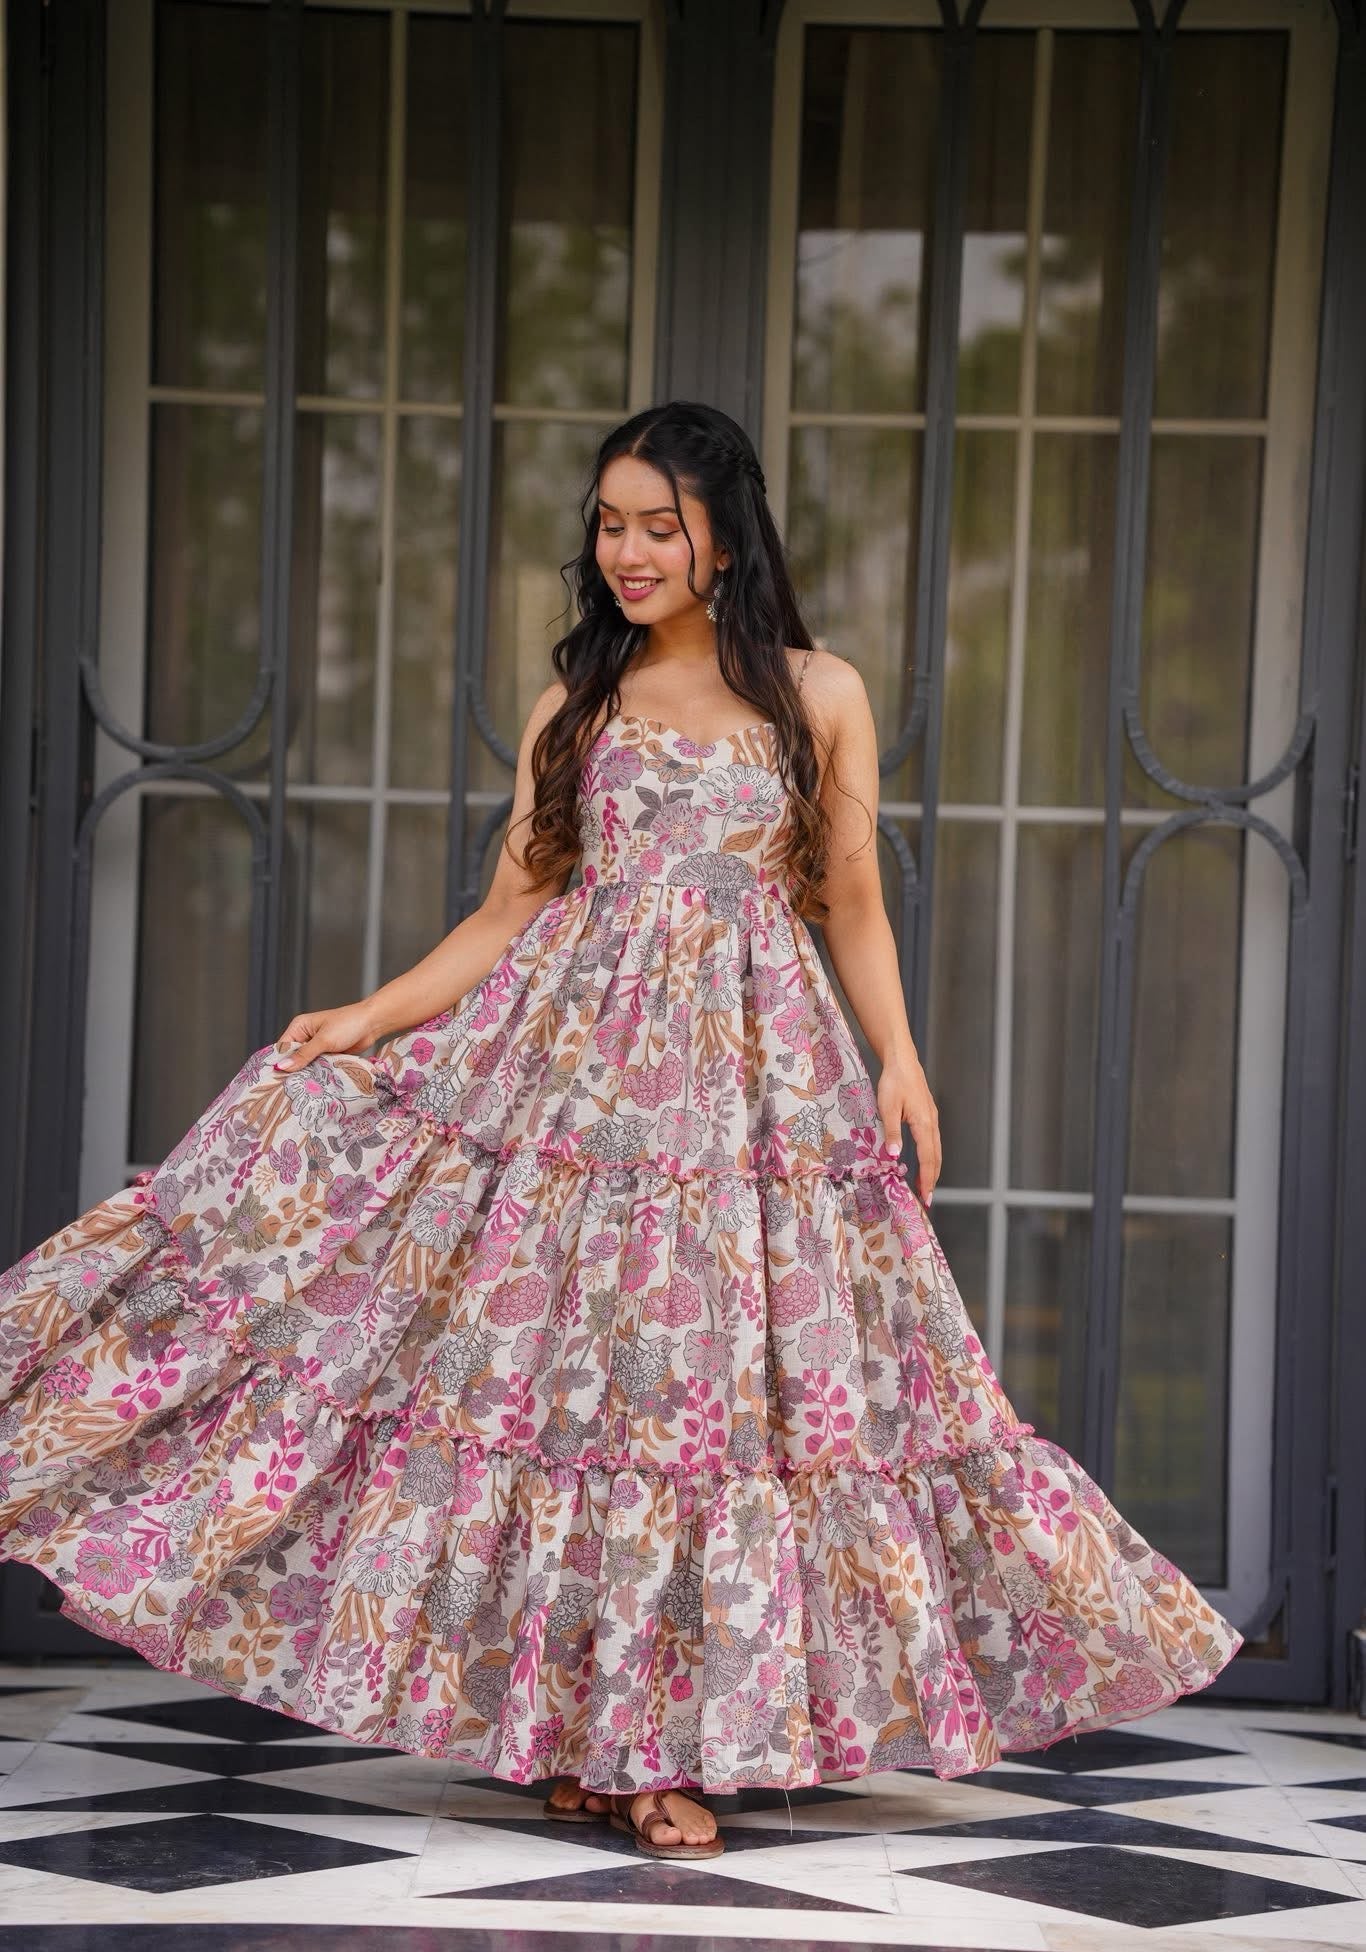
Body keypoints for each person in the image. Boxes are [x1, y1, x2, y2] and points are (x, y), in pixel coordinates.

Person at [0, 399, 1242, 1862]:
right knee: (569, 1405)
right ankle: (582, 1737)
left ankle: (663, 1747)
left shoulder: (815, 692)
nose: (630, 549)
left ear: (724, 534)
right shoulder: (574, 702)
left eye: (659, 523)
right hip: (569, 1094)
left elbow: (847, 896)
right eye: (609, 523)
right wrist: (369, 1017)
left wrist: (897, 1059)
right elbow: (512, 908)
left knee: (700, 1409)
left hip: (749, 1099)